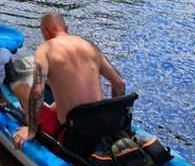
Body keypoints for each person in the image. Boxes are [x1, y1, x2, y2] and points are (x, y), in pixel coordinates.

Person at [12, 11, 125, 150]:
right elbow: (119, 83)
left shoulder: (45, 49)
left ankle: (32, 124)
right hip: (101, 125)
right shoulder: (89, 46)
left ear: (45, 32)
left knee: (20, 87)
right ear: (66, 28)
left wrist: (31, 130)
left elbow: (37, 91)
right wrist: (115, 120)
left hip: (71, 134)